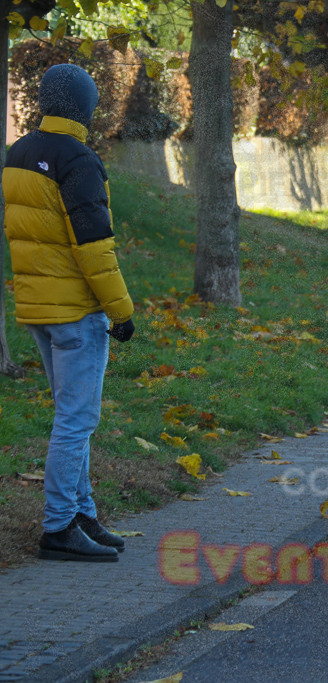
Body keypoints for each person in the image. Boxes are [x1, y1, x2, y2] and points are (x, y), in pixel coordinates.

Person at [3, 64, 135, 563]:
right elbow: (94, 246)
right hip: (76, 311)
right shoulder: (78, 159)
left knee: (70, 416)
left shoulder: (19, 152)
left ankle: (82, 514)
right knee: (77, 421)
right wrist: (120, 311)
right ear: (83, 106)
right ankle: (59, 526)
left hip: (37, 308)